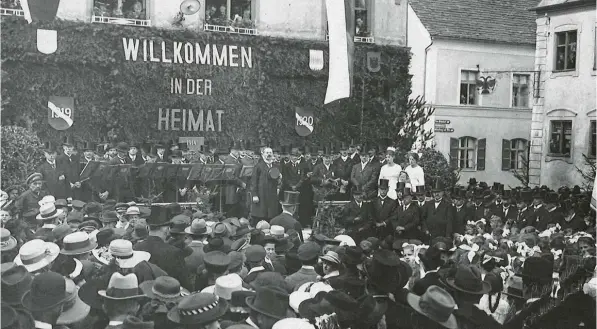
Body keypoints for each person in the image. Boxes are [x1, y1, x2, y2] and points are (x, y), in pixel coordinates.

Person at [250, 147, 282, 224]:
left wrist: (279, 181)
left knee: (271, 213)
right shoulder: (258, 166)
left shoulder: (275, 166)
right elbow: (254, 181)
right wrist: (254, 195)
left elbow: (278, 179)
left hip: (272, 193)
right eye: (267, 153)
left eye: (270, 153)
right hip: (261, 194)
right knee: (261, 214)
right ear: (263, 154)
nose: (269, 154)